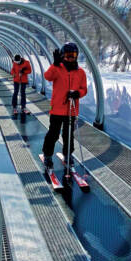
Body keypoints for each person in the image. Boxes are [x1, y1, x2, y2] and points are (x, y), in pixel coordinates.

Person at [41, 42, 87, 171]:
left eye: (73, 55)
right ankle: (48, 155)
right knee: (53, 134)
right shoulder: (57, 68)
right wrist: (54, 65)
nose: (70, 58)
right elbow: (47, 76)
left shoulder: (80, 72)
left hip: (71, 110)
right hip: (57, 109)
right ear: (62, 56)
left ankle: (68, 154)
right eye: (67, 56)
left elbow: (84, 89)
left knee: (68, 135)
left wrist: (78, 93)